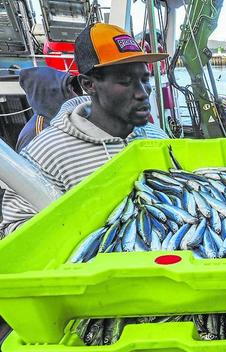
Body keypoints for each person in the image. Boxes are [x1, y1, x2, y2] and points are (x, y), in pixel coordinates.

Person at [0, 22, 169, 236]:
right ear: (88, 85)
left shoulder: (157, 137)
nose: (142, 92)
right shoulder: (45, 153)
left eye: (145, 80)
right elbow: (13, 230)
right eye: (126, 82)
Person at [16, 66, 82, 152]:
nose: (75, 95)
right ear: (50, 93)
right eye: (68, 90)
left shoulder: (76, 119)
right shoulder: (34, 132)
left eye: (73, 89)